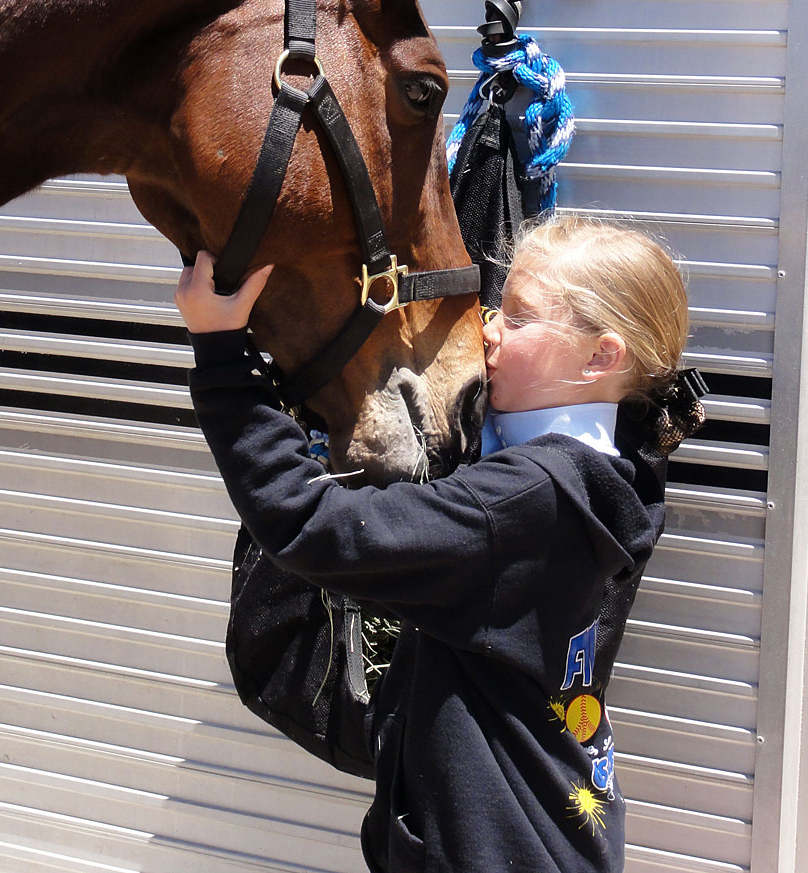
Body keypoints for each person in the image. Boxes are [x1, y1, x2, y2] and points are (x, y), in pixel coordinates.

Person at [175, 215, 695, 873]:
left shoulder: (522, 503)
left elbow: (312, 523)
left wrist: (222, 350)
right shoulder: (616, 469)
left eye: (519, 316)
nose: (488, 329)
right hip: (556, 836)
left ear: (601, 357)